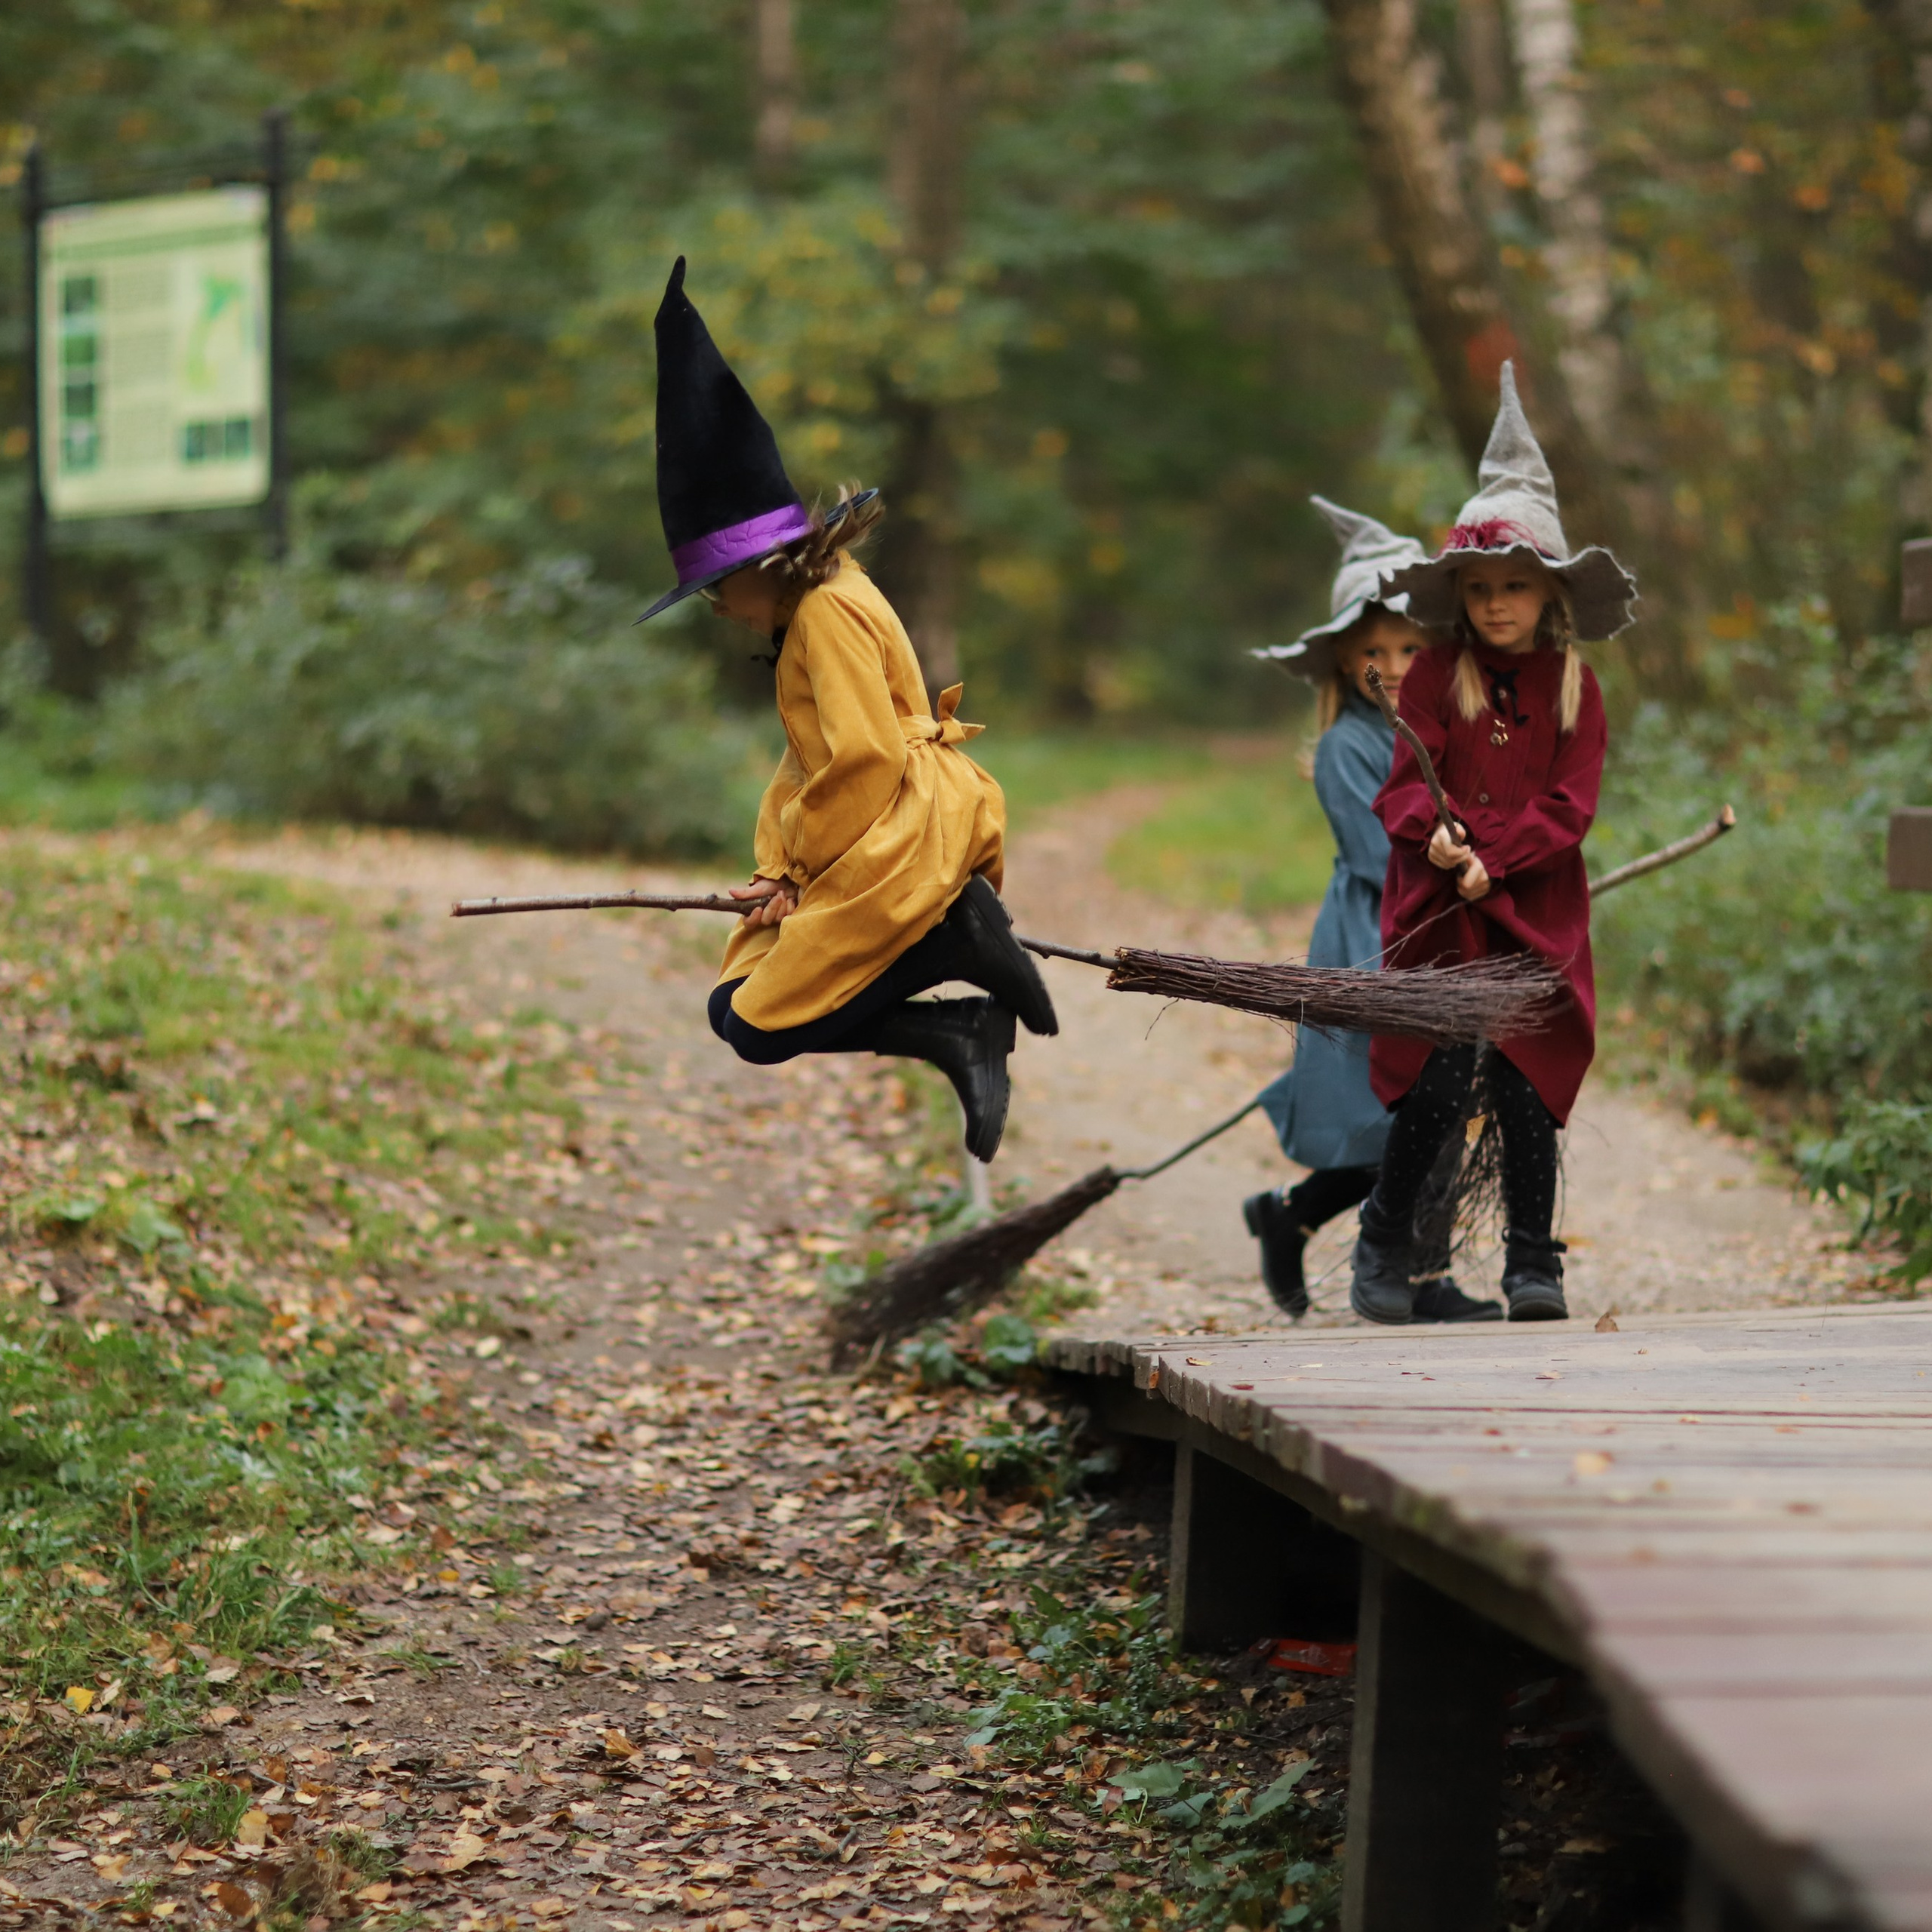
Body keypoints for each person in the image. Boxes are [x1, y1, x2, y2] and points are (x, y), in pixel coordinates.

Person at [639, 257, 1056, 1161]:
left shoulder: (822, 613)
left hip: (904, 829)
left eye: (715, 588)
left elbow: (863, 759)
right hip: (898, 821)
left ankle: (952, 949)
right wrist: (778, 864)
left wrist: (800, 872)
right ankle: (956, 1024)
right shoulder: (828, 596)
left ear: (757, 568)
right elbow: (817, 761)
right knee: (737, 1001)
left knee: (747, 1020)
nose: (715, 609)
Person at [1350, 362, 1636, 1324]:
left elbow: (1570, 804)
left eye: (1514, 586)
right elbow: (1405, 785)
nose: (1496, 604)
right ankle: (1382, 1245)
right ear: (1460, 593)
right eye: (1479, 589)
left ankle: (1532, 1263)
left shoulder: (1573, 689)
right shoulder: (1433, 672)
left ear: (1547, 591)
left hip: (1535, 911)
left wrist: (1499, 859)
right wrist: (1439, 843)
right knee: (1433, 1081)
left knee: (1524, 1080)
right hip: (1439, 912)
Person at [1244, 500, 1500, 1324]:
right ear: (1343, 663)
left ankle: (1292, 1217)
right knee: (1398, 1110)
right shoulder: (1347, 748)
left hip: (1445, 928)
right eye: (1373, 652)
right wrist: (1455, 862)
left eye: (1407, 647)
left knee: (1430, 1111)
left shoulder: (1445, 727)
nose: (1392, 665)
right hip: (1379, 936)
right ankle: (1413, 1277)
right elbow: (1374, 854)